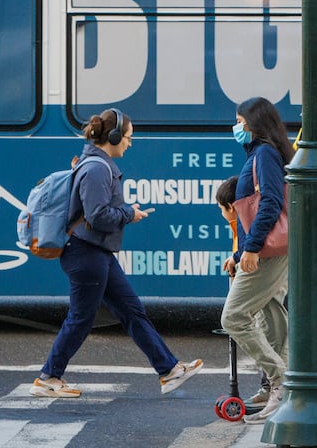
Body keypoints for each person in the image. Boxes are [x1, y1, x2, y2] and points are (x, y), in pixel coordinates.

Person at [30, 108, 202, 398]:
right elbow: (97, 216)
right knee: (82, 317)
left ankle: (168, 370)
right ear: (113, 136)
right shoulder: (97, 168)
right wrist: (128, 213)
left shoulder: (97, 165)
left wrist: (126, 213)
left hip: (97, 253)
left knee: (132, 310)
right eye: (128, 137)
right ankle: (49, 376)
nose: (130, 143)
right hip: (85, 253)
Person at [220, 97, 291, 424]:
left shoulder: (264, 153)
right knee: (272, 313)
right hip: (266, 248)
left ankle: (281, 381)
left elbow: (271, 202)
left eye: (240, 121)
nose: (236, 128)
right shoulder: (261, 153)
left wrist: (250, 249)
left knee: (234, 317)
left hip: (265, 250)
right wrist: (239, 253)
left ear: (253, 122)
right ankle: (274, 385)